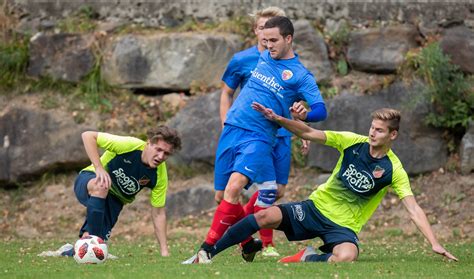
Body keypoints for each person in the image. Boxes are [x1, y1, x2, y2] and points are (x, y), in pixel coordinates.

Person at [191, 104, 458, 264]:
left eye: (379, 130)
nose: (372, 133)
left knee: (346, 257)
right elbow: (308, 131)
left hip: (343, 226)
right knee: (263, 215)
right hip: (315, 208)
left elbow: (413, 209)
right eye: (372, 127)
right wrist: (278, 119)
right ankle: (210, 253)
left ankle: (307, 256)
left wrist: (434, 242)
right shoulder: (352, 141)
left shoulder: (393, 169)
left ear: (393, 135)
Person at [183, 16, 327, 264]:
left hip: (260, 136)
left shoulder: (300, 75)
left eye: (274, 40)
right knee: (222, 196)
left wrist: (305, 114)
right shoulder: (262, 57)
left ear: (288, 39)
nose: (268, 44)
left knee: (235, 187)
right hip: (232, 129)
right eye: (265, 39)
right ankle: (248, 243)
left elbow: (321, 110)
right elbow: (228, 89)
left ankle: (204, 251)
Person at [219, 6, 311, 258]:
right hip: (251, 132)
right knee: (249, 189)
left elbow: (296, 101)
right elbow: (226, 92)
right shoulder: (242, 59)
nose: (266, 35)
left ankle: (247, 231)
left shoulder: (290, 63)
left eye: (272, 31)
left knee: (277, 191)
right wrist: (226, 122)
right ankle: (261, 242)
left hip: (281, 133)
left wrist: (305, 131)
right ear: (255, 30)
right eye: (262, 28)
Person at [44, 126, 181, 258]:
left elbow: (158, 214)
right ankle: (96, 244)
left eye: (166, 153)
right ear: (148, 143)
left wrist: (164, 251)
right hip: (90, 180)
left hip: (115, 202)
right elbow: (88, 136)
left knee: (88, 243)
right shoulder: (130, 145)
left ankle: (68, 251)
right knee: (102, 187)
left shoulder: (159, 176)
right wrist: (99, 168)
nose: (161, 156)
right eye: (158, 149)